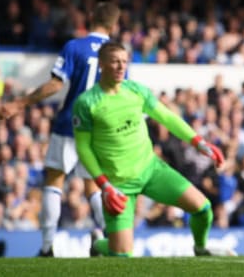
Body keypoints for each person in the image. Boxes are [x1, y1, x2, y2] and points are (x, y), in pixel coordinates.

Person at [72, 41, 226, 257]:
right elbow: (83, 147)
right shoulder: (87, 103)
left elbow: (167, 117)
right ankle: (98, 244)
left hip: (151, 170)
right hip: (118, 184)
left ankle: (201, 248)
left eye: (124, 61)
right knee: (123, 255)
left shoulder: (136, 91)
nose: (120, 66)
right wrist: (104, 185)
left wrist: (198, 141)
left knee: (203, 208)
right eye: (115, 61)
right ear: (102, 65)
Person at [0, 1, 121, 257]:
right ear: (114, 24)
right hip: (98, 130)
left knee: (54, 182)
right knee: (93, 187)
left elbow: (55, 85)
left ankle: (46, 247)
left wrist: (20, 103)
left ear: (90, 18)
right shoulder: (117, 55)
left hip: (69, 124)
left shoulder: (75, 46)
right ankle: (108, 238)